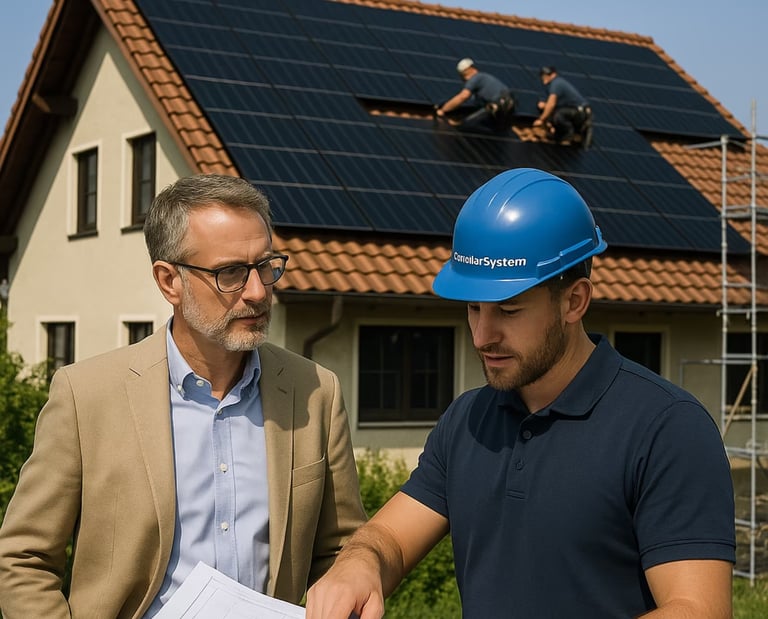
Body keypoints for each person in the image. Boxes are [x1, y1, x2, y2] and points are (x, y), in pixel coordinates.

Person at [306, 168, 736, 618]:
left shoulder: (667, 427)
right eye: (473, 308)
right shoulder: (467, 419)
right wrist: (358, 564)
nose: (481, 335)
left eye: (508, 310)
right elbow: (389, 538)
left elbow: (697, 608)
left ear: (575, 301)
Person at [0, 174, 367, 618]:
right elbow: (23, 558)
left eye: (266, 266)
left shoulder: (315, 390)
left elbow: (343, 550)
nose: (257, 292)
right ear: (169, 281)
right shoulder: (86, 396)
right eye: (230, 272)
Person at [435, 57, 515, 132]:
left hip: (498, 106)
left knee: (466, 125)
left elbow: (463, 97)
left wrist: (443, 110)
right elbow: (472, 104)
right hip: (507, 109)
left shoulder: (476, 78)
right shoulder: (483, 80)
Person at [534, 65, 593, 147]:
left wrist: (541, 120)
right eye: (543, 75)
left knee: (558, 115)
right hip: (572, 111)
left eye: (547, 75)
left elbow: (551, 104)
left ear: (553, 75)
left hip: (580, 113)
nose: (544, 77)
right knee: (546, 108)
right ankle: (557, 131)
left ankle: (568, 135)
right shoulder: (550, 87)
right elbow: (543, 104)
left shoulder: (556, 83)